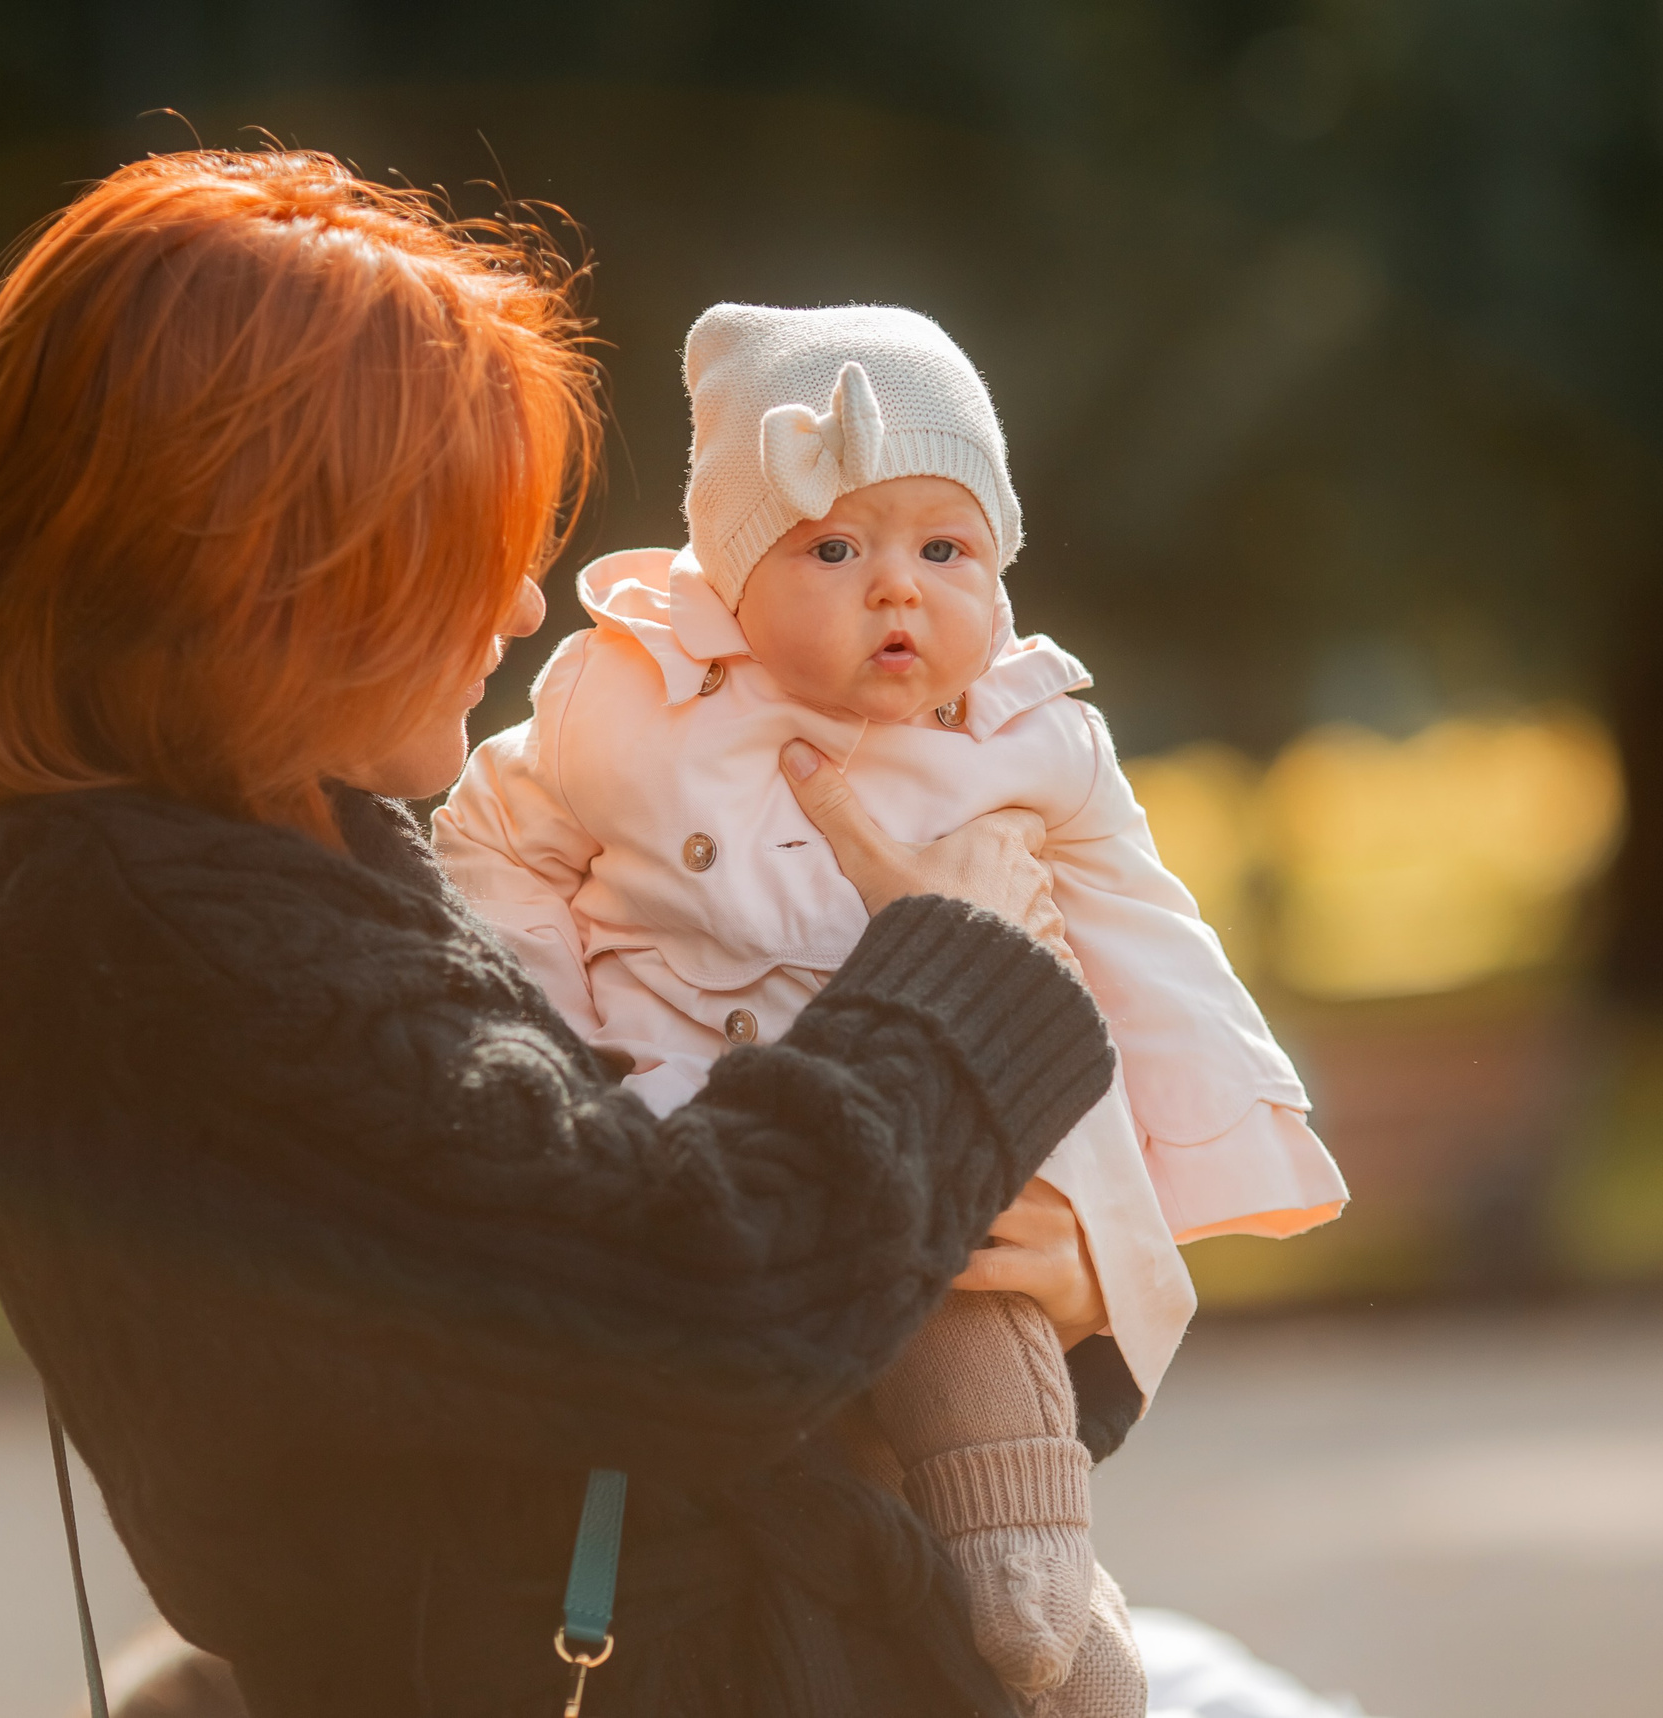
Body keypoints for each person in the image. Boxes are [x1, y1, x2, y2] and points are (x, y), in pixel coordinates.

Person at [0, 151, 1124, 1718]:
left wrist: (1035, 1282)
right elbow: (699, 1299)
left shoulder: (226, 870)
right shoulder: (161, 947)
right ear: (277, 567)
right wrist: (957, 970)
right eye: (466, 543)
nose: (530, 604)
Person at [434, 304, 1350, 1716]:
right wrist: (562, 1030)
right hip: (693, 1110)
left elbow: (1145, 937)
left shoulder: (1028, 739)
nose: (898, 593)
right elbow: (500, 840)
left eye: (945, 551)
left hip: (940, 1159)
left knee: (972, 1316)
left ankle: (1046, 1600)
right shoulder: (621, 697)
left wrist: (1200, 1162)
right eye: (836, 549)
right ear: (727, 578)